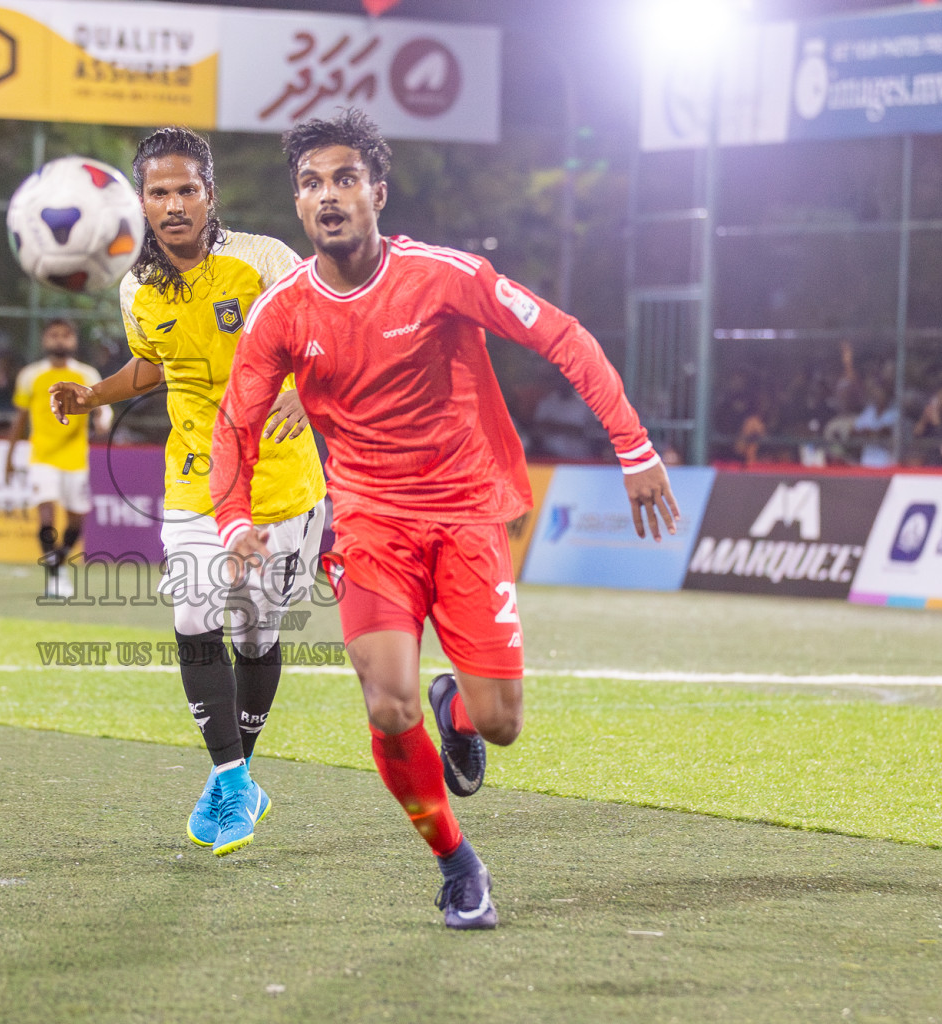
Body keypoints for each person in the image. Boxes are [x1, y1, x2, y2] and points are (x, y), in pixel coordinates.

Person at [209, 110, 678, 929]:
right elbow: (235, 418)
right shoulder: (281, 311)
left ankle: (457, 701)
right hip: (367, 524)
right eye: (313, 182)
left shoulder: (444, 276)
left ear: (377, 193)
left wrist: (633, 449)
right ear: (298, 205)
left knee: (501, 727)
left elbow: (562, 337)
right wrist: (232, 518)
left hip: (465, 517)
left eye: (345, 178)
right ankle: (457, 863)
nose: (329, 195)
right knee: (385, 703)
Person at [50, 126, 326, 858]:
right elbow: (151, 366)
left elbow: (323, 333)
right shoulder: (138, 287)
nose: (173, 205)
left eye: (186, 190)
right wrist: (92, 394)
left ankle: (235, 779)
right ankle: (233, 780)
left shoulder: (265, 261)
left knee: (257, 634)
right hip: (195, 477)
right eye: (158, 192)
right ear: (140, 200)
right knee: (195, 608)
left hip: (281, 480)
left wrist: (310, 388)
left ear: (210, 193)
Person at [6, 319, 109, 597]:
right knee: (46, 513)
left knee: (75, 521)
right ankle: (54, 575)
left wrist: (103, 421)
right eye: (54, 335)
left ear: (74, 341)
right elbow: (20, 420)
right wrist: (9, 457)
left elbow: (103, 407)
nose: (60, 340)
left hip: (76, 457)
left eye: (65, 335)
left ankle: (60, 561)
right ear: (44, 340)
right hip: (42, 456)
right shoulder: (30, 376)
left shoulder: (87, 374)